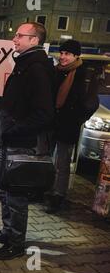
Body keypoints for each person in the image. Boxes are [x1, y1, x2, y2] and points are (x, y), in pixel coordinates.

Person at [0, 22, 54, 260]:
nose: (14, 38)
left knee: (16, 196)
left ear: (34, 40)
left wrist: (12, 130)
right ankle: (7, 231)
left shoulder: (38, 68)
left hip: (20, 143)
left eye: (19, 35)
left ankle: (16, 243)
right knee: (4, 189)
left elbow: (43, 113)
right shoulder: (24, 63)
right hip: (7, 140)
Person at [45, 40, 87, 214]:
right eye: (61, 53)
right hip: (50, 124)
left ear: (76, 56)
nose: (63, 57)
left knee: (62, 163)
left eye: (67, 54)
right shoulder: (55, 72)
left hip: (67, 126)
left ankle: (58, 196)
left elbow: (87, 103)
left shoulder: (83, 74)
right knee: (45, 158)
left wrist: (75, 120)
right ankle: (45, 190)